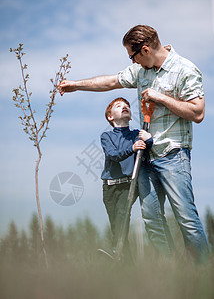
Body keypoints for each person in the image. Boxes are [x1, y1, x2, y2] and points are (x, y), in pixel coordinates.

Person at [58, 24, 209, 261]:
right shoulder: (142, 71)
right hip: (146, 158)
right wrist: (76, 85)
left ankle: (203, 273)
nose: (133, 62)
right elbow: (110, 81)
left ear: (145, 50)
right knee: (152, 219)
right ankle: (171, 275)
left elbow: (197, 112)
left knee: (185, 217)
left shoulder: (185, 69)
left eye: (132, 56)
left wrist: (160, 97)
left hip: (173, 155)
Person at [100, 97, 153, 260]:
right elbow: (113, 155)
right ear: (110, 116)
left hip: (128, 185)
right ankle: (125, 261)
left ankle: (117, 253)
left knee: (123, 216)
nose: (124, 107)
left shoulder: (137, 134)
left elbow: (146, 149)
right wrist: (132, 148)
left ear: (130, 115)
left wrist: (149, 140)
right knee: (116, 224)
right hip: (109, 187)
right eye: (118, 106)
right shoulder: (106, 136)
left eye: (127, 106)